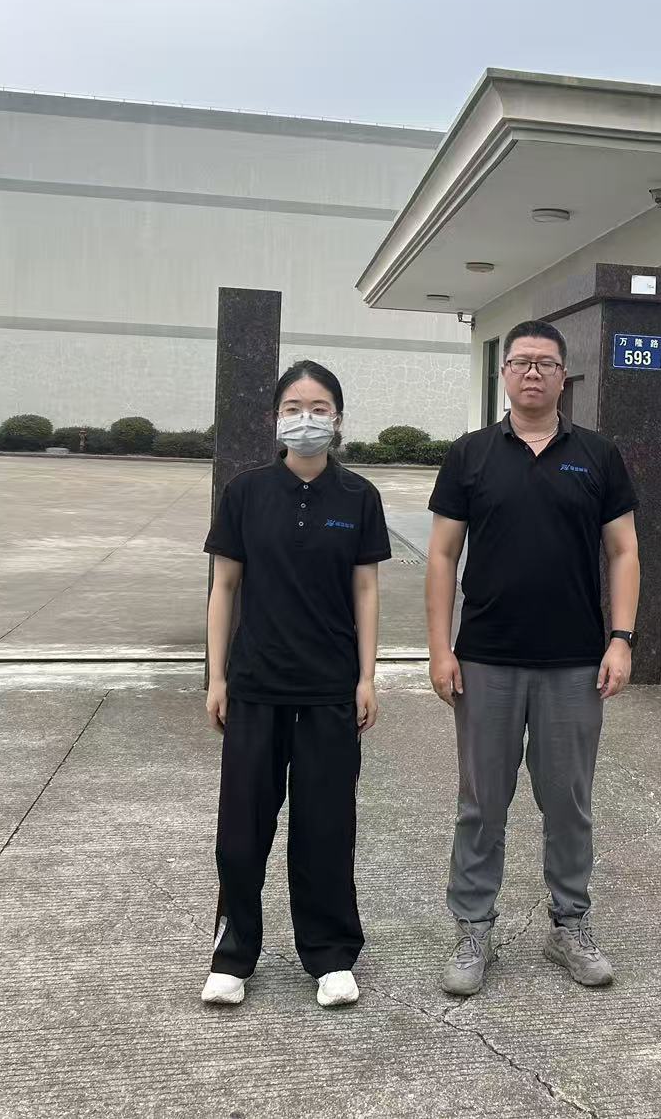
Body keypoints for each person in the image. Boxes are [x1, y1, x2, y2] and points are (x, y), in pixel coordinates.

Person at [426, 319, 641, 995]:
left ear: (562, 376)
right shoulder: (469, 455)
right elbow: (442, 555)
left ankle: (569, 925)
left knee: (568, 802)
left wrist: (622, 638)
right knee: (481, 803)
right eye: (520, 362)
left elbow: (624, 551)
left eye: (545, 364)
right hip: (485, 659)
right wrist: (439, 648)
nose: (532, 373)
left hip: (574, 662)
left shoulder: (598, 455)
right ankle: (473, 929)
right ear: (504, 374)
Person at [200, 360, 390, 1010]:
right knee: (242, 829)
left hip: (330, 689)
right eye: (293, 407)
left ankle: (331, 955)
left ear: (338, 418)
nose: (305, 418)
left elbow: (366, 590)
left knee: (326, 827)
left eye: (319, 407)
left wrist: (367, 676)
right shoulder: (246, 493)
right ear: (275, 417)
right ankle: (233, 954)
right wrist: (217, 677)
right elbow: (224, 587)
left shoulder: (358, 497)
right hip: (256, 685)